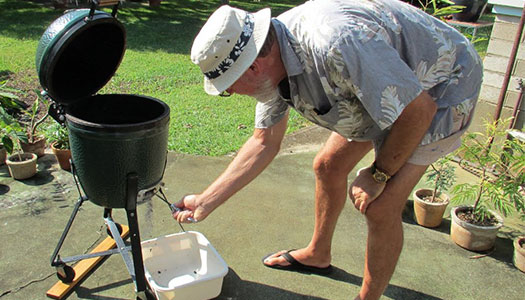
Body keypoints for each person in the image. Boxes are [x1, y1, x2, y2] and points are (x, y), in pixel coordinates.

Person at [174, 0, 482, 299]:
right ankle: (318, 254)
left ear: (253, 66)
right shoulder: (272, 55)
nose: (229, 91)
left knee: (381, 206)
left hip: (442, 84)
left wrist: (379, 173)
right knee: (328, 166)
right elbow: (263, 141)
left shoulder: (336, 45)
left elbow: (417, 112)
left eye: (228, 86)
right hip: (382, 89)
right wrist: (205, 201)